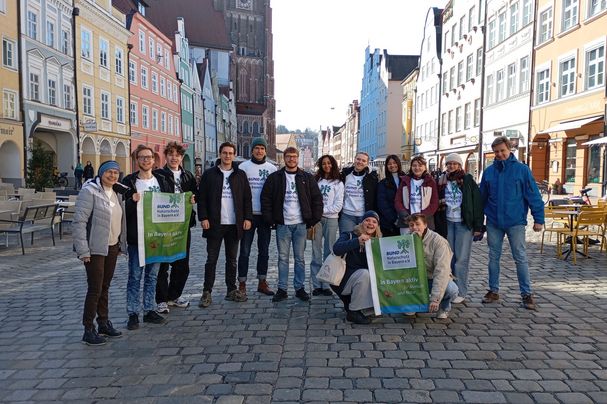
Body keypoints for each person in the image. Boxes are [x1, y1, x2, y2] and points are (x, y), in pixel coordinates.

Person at [479, 136, 544, 310]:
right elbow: (481, 198)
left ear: (509, 150)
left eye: (502, 151)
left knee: (520, 257)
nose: (499, 154)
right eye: (496, 152)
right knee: (493, 257)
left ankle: (526, 294)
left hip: (515, 221)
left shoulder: (522, 170)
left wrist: (539, 219)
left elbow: (533, 195)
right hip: (493, 221)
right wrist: (479, 222)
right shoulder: (489, 172)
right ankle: (493, 291)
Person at [73, 160, 126, 345]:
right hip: (94, 248)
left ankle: (103, 322)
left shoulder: (117, 193)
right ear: (101, 173)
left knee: (105, 286)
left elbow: (120, 220)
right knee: (95, 288)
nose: (112, 175)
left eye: (115, 172)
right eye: (109, 172)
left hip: (111, 246)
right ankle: (88, 329)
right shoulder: (89, 191)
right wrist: (83, 250)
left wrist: (119, 244)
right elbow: (79, 222)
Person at [261, 146, 323, 302]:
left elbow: (317, 199)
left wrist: (313, 219)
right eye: (288, 156)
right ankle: (282, 289)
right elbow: (266, 199)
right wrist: (270, 219)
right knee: (282, 258)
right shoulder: (275, 177)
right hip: (283, 224)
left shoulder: (307, 178)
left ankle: (299, 288)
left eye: (294, 156)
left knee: (300, 258)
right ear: (284, 158)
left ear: (298, 158)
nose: (291, 159)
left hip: (301, 224)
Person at [122, 145, 172, 330]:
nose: (146, 160)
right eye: (142, 157)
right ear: (137, 160)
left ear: (153, 160)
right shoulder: (128, 182)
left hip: (157, 236)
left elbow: (171, 202)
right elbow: (121, 210)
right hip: (137, 236)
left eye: (149, 157)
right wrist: (130, 201)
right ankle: (133, 313)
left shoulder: (161, 180)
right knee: (135, 276)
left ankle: (149, 309)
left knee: (152, 276)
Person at [198, 142, 253, 308]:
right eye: (224, 153)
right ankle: (207, 292)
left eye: (230, 153)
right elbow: (202, 198)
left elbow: (246, 199)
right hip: (215, 223)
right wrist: (203, 217)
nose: (227, 156)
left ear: (234, 155)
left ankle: (231, 290)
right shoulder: (209, 174)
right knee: (211, 260)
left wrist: (247, 218)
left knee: (232, 260)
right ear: (220, 154)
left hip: (234, 224)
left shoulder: (240, 175)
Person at [154, 142, 198, 314]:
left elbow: (196, 194)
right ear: (166, 156)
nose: (174, 157)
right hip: (163, 226)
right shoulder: (158, 175)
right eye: (171, 154)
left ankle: (174, 295)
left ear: (181, 157)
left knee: (182, 263)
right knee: (163, 264)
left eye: (177, 155)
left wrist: (194, 199)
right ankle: (161, 299)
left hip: (183, 225)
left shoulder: (188, 176)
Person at [435, 153, 483, 304]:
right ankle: (449, 288)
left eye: (455, 164)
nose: (451, 166)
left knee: (461, 259)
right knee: (448, 258)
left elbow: (477, 203)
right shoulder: (441, 180)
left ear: (460, 165)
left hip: (463, 223)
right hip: (447, 222)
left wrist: (478, 226)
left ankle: (461, 291)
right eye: (449, 164)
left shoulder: (467, 180)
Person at [237, 137, 277, 297]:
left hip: (265, 216)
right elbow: (239, 192)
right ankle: (242, 283)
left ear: (265, 150)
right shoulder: (243, 167)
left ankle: (262, 281)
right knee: (245, 251)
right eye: (256, 148)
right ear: (252, 150)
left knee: (264, 251)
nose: (259, 151)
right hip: (249, 216)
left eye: (262, 148)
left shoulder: (272, 168)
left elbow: (275, 194)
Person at [331, 211, 382, 324]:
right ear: (361, 222)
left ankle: (353, 303)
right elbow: (336, 249)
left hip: (362, 281)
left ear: (377, 226)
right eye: (367, 220)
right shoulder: (349, 235)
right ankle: (353, 312)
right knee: (364, 273)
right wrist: (357, 241)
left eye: (374, 222)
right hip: (342, 280)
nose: (370, 224)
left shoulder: (378, 242)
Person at [406, 213, 460, 319]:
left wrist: (435, 298)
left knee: (450, 289)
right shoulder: (405, 240)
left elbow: (442, 271)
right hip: (415, 280)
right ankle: (413, 304)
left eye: (418, 224)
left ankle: (444, 307)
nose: (415, 228)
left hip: (432, 278)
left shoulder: (439, 242)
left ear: (425, 224)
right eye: (411, 225)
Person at [310, 154, 344, 296]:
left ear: (333, 164)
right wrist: (317, 214)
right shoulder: (316, 180)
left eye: (329, 163)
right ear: (320, 165)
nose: (326, 165)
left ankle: (326, 284)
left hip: (331, 220)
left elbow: (338, 204)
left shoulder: (338, 183)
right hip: (317, 220)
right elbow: (311, 199)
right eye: (324, 163)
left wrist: (322, 211)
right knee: (316, 252)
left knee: (329, 252)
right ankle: (316, 285)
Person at [395, 155, 438, 233]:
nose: (417, 168)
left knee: (425, 245)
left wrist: (422, 217)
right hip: (406, 222)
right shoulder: (405, 181)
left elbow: (434, 203)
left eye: (420, 165)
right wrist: (405, 215)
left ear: (425, 167)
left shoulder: (431, 182)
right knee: (408, 244)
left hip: (425, 222)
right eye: (414, 165)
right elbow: (398, 201)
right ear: (411, 167)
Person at [339, 152, 378, 233]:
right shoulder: (345, 175)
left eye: (363, 161)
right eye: (358, 159)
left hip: (364, 216)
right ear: (354, 160)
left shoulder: (372, 177)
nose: (360, 162)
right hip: (347, 215)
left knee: (364, 242)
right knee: (347, 241)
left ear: (367, 163)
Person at [376, 154, 405, 236]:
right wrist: (394, 219)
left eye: (394, 163)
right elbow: (382, 204)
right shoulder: (383, 183)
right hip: (389, 223)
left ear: (398, 164)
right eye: (389, 164)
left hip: (406, 220)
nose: (392, 165)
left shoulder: (406, 180)